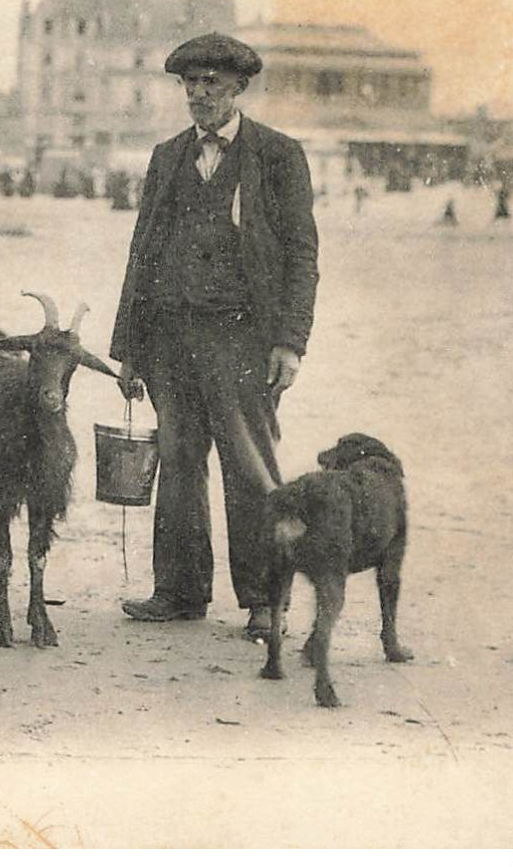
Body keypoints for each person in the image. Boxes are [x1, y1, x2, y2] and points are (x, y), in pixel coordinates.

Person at [110, 32, 320, 639]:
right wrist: (129, 349)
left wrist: (290, 342)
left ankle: (263, 601)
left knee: (249, 468)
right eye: (190, 84)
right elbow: (142, 253)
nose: (199, 94)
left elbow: (302, 255)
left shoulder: (278, 155)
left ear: (238, 89)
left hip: (243, 342)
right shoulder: (167, 156)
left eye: (212, 84)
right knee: (177, 463)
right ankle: (178, 591)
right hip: (171, 340)